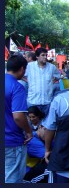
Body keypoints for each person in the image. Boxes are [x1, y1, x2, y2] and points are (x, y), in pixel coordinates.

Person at [5, 55, 33, 183]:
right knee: (12, 178)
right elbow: (18, 117)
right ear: (22, 69)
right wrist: (28, 131)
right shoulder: (17, 87)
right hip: (12, 141)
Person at [24, 48, 61, 116]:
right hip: (33, 101)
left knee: (45, 124)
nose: (45, 57)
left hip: (47, 102)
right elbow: (22, 75)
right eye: (43, 55)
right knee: (33, 124)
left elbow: (58, 75)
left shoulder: (51, 67)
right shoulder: (30, 66)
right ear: (37, 56)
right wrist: (28, 81)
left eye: (46, 55)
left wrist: (52, 81)